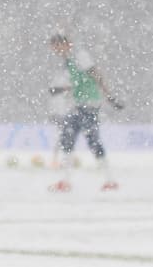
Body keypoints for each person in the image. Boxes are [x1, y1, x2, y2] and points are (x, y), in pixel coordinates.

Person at [46, 33, 122, 192]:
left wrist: (109, 96)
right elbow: (78, 83)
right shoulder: (68, 61)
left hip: (89, 105)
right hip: (78, 105)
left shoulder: (80, 56)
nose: (56, 51)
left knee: (93, 141)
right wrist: (61, 89)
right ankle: (65, 181)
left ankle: (109, 180)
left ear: (65, 44)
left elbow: (95, 75)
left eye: (57, 47)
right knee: (67, 139)